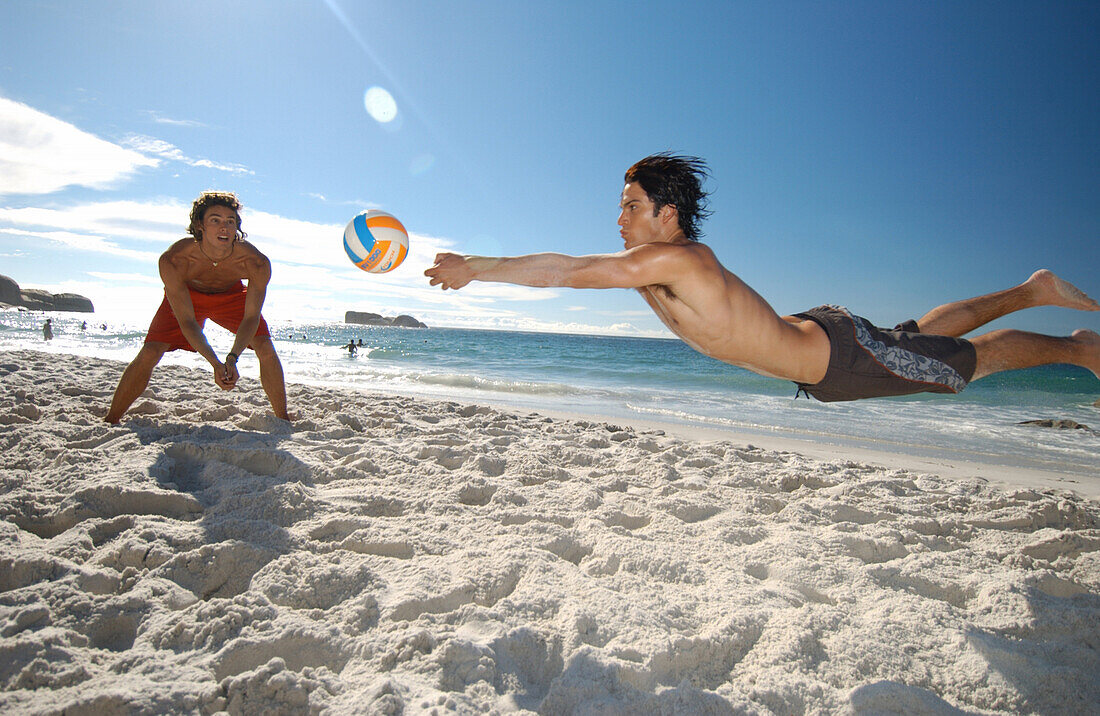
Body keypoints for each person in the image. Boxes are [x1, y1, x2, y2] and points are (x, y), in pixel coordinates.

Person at [425, 153, 1100, 402]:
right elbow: (582, 267)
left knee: (967, 365)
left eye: (631, 206)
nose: (620, 218)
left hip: (837, 357)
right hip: (827, 349)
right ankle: (1030, 288)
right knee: (916, 337)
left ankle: (1077, 349)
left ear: (667, 213)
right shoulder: (654, 266)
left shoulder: (673, 260)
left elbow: (565, 271)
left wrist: (473, 271)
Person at [105, 191, 289, 423]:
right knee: (151, 350)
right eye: (215, 220)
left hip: (231, 295)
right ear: (200, 225)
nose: (224, 227)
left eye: (230, 222)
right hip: (188, 294)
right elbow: (187, 322)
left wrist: (232, 359)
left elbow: (251, 318)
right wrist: (215, 363)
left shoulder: (255, 262)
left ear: (236, 228)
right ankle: (112, 418)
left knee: (265, 346)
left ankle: (283, 418)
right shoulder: (174, 260)